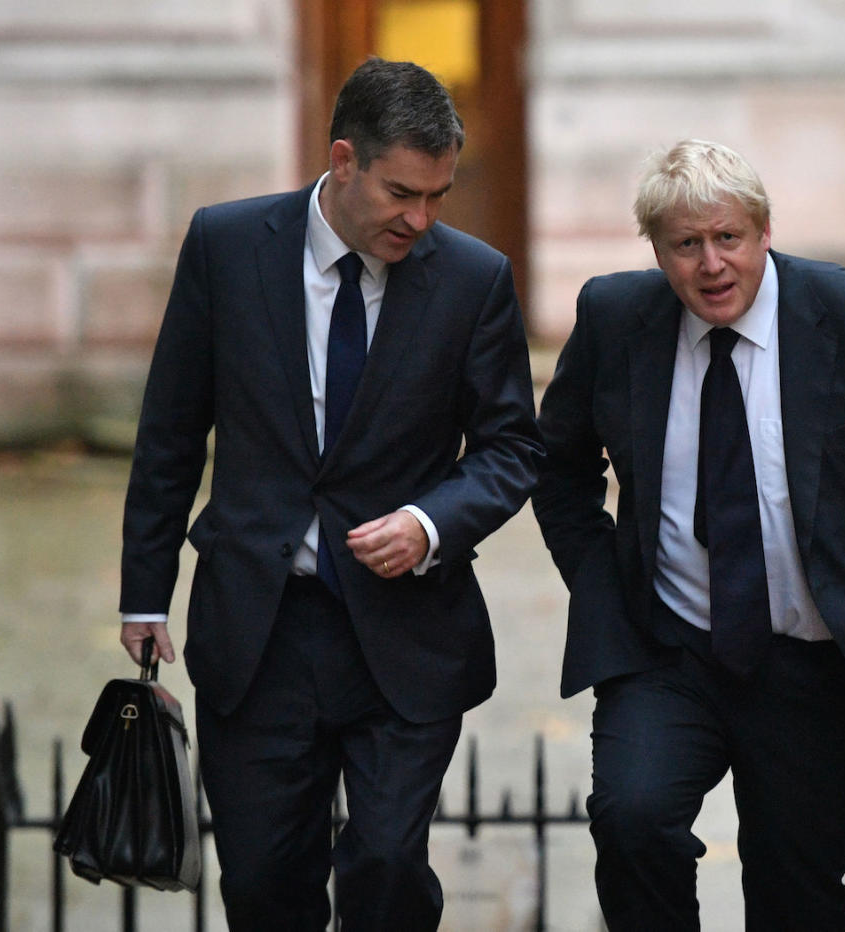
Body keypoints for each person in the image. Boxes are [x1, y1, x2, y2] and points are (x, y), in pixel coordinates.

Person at [117, 57, 542, 930]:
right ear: (344, 160)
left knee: (386, 869)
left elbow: (510, 449)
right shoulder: (226, 247)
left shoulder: (473, 279)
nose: (420, 220)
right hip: (259, 630)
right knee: (266, 884)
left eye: (438, 196)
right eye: (401, 194)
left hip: (404, 633)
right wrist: (144, 591)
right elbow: (170, 429)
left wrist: (431, 524)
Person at [532, 138, 845, 930]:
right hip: (668, 652)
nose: (710, 265)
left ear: (764, 232)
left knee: (794, 896)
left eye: (727, 238)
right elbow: (557, 467)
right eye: (685, 245)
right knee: (632, 823)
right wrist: (603, 586)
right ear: (658, 251)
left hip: (817, 666)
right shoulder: (616, 316)